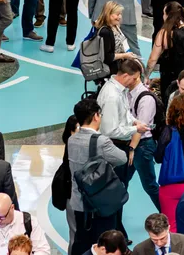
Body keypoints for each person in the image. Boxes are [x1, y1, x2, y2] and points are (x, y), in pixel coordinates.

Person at [67, 98, 129, 255]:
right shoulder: (101, 141)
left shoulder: (72, 140)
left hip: (79, 202)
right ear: (96, 116)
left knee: (81, 242)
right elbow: (122, 158)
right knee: (105, 244)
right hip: (100, 203)